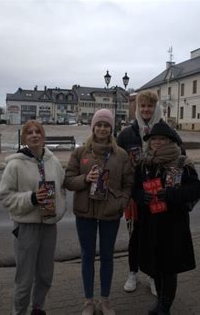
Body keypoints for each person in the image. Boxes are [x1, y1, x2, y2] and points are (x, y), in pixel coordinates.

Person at [64, 109, 134, 315]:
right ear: (93, 127)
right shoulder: (80, 153)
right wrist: (85, 179)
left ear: (111, 129)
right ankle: (88, 301)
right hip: (85, 213)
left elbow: (129, 183)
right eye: (99, 125)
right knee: (87, 256)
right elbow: (68, 180)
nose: (102, 128)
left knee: (107, 257)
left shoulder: (120, 155)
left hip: (110, 213)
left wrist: (121, 202)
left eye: (106, 125)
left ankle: (105, 300)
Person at [132, 121, 200, 315]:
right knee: (154, 265)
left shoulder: (182, 162)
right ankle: (160, 302)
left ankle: (165, 305)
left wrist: (172, 194)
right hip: (150, 222)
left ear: (170, 141)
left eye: (162, 139)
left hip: (173, 224)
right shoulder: (144, 163)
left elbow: (197, 188)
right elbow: (135, 189)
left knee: (169, 267)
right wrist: (142, 197)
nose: (157, 142)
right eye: (154, 139)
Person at [117, 90, 183, 295]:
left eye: (150, 106)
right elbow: (117, 161)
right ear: (138, 108)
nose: (146, 110)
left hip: (160, 194)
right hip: (136, 195)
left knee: (155, 238)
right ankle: (132, 273)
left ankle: (154, 276)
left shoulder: (165, 130)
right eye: (143, 106)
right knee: (135, 237)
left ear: (156, 107)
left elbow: (181, 156)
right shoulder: (128, 133)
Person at [0, 120, 67, 315]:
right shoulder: (15, 165)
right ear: (24, 138)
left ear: (44, 136)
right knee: (25, 279)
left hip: (49, 226)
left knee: (45, 275)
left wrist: (59, 209)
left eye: (38, 132)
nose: (35, 135)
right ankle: (19, 312)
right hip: (26, 227)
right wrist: (32, 199)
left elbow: (62, 187)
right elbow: (4, 196)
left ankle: (38, 308)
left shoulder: (53, 161)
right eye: (30, 133)